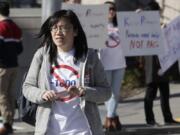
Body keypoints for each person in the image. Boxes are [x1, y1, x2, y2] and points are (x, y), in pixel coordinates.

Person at [22, 9, 111, 135]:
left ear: (75, 31)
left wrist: (83, 91)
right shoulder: (42, 55)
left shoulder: (89, 57)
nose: (58, 32)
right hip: (49, 130)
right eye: (54, 28)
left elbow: (106, 92)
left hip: (83, 130)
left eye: (64, 28)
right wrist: (42, 94)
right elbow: (27, 87)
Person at [143, 1, 180, 126]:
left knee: (165, 92)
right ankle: (150, 120)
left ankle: (168, 118)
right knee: (151, 92)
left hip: (163, 62)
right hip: (152, 63)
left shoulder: (161, 25)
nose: (157, 14)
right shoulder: (143, 25)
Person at [99, 1, 126, 131]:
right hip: (105, 64)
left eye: (113, 9)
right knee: (107, 94)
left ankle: (109, 118)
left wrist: (137, 17)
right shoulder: (97, 26)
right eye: (108, 9)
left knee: (115, 93)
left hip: (120, 63)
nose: (111, 11)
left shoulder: (120, 26)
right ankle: (113, 117)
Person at [0, 1, 23, 134]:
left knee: (2, 95)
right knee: (10, 94)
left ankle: (7, 123)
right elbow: (20, 49)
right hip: (14, 65)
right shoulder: (16, 27)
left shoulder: (1, 27)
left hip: (2, 66)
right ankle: (9, 121)